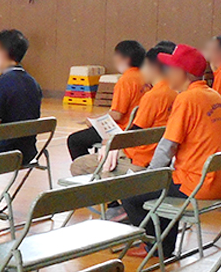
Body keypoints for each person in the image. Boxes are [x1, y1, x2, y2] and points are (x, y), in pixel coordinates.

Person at [122, 45, 221, 259]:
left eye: (170, 68)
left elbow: (167, 146)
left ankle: (155, 246)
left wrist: (150, 176)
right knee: (166, 184)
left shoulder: (186, 99)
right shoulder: (213, 95)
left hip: (198, 184)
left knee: (129, 193)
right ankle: (163, 245)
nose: (166, 73)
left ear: (182, 73)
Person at [69, 43, 176, 178]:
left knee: (77, 162)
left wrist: (112, 142)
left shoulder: (149, 93)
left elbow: (126, 124)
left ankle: (102, 187)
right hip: (158, 154)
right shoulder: (175, 91)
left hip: (138, 156)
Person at [0, 29, 42, 206]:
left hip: (6, 155)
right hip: (28, 152)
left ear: (2, 53)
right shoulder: (33, 82)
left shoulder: (1, 82)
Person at [66, 40, 146, 161]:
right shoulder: (146, 77)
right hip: (139, 128)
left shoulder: (125, 81)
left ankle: (86, 168)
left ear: (124, 59)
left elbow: (117, 115)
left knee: (74, 140)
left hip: (122, 130)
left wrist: (95, 121)